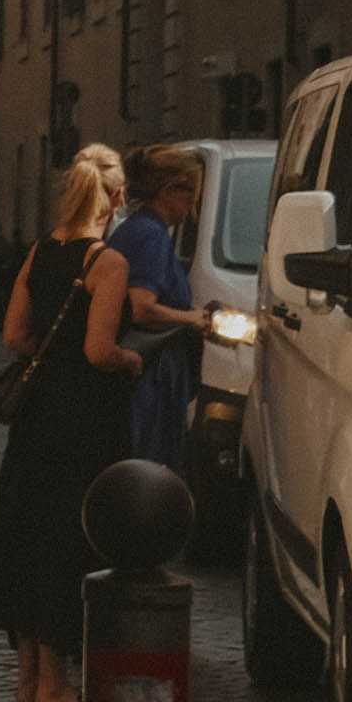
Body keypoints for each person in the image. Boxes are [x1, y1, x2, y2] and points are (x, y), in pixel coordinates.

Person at [0, 152, 148, 702]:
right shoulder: (106, 262)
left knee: (28, 536)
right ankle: (55, 684)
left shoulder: (38, 252)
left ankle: (27, 681)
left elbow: (14, 333)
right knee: (70, 541)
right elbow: (98, 350)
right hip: (83, 418)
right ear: (115, 200)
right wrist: (130, 361)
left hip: (36, 416)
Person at [109, 145, 209, 469]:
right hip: (152, 376)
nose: (193, 202)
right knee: (149, 464)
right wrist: (192, 318)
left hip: (154, 373)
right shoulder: (149, 235)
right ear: (169, 191)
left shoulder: (142, 230)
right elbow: (141, 307)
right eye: (191, 191)